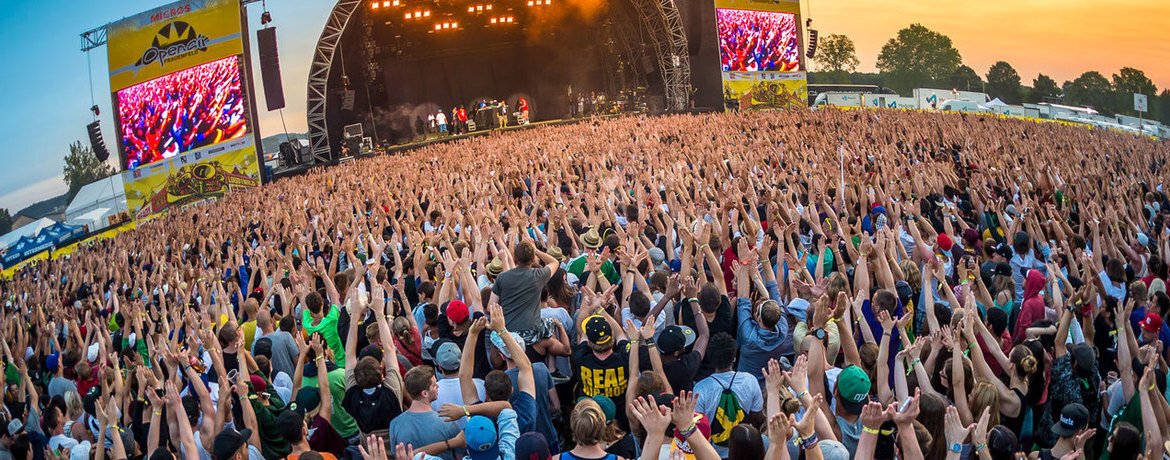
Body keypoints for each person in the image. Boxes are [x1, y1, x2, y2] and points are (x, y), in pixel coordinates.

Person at [387, 366, 462, 460]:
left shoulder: (395, 424)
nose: (438, 386)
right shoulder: (448, 422)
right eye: (434, 385)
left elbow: (398, 456)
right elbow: (461, 457)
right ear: (424, 394)